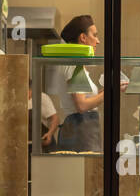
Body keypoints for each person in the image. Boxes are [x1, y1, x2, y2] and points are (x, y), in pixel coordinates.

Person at [48, 15, 125, 152]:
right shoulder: (74, 63)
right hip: (80, 130)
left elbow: (84, 99)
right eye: (95, 35)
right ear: (83, 37)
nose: (98, 41)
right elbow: (82, 105)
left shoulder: (75, 63)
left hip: (82, 130)